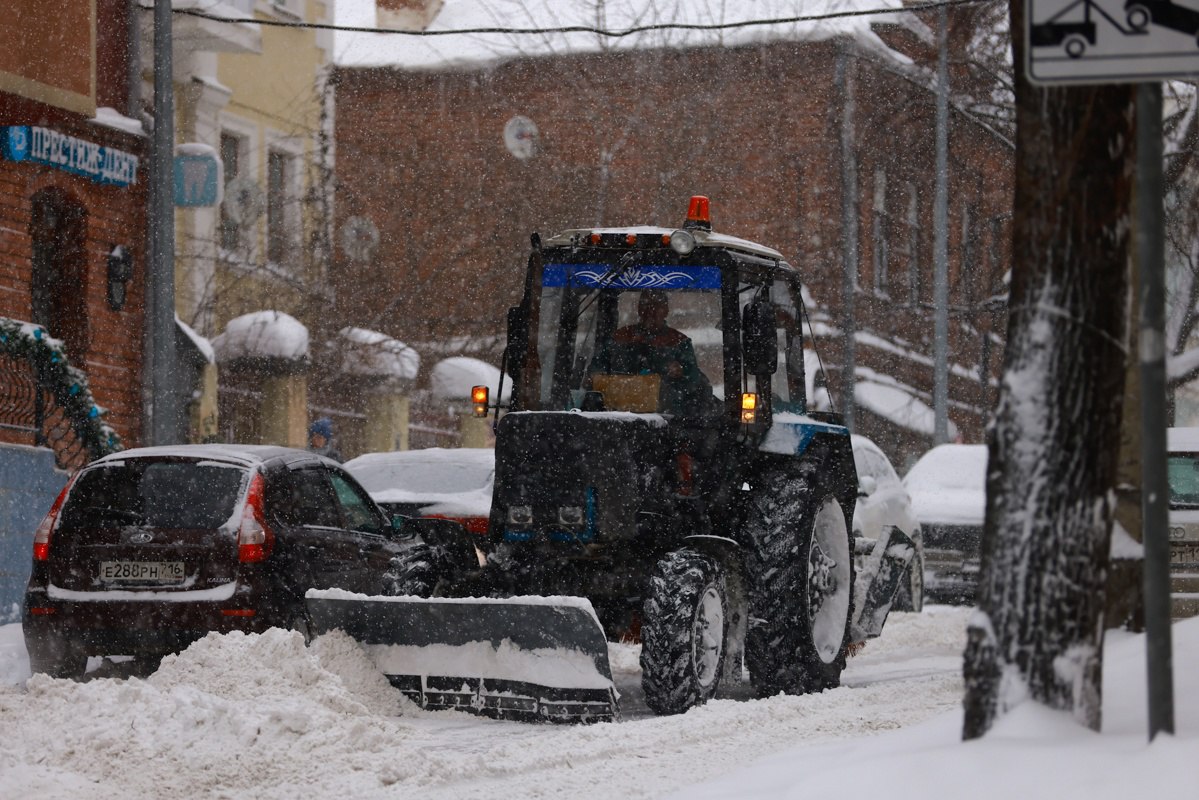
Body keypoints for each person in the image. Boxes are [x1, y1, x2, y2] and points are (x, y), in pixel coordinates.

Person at [597, 291, 711, 415]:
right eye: (645, 304)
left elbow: (694, 379)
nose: (650, 310)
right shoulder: (620, 337)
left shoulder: (678, 341)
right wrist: (595, 375)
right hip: (618, 415)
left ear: (666, 310)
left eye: (657, 305)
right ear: (639, 309)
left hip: (667, 417)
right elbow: (598, 367)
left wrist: (681, 371)